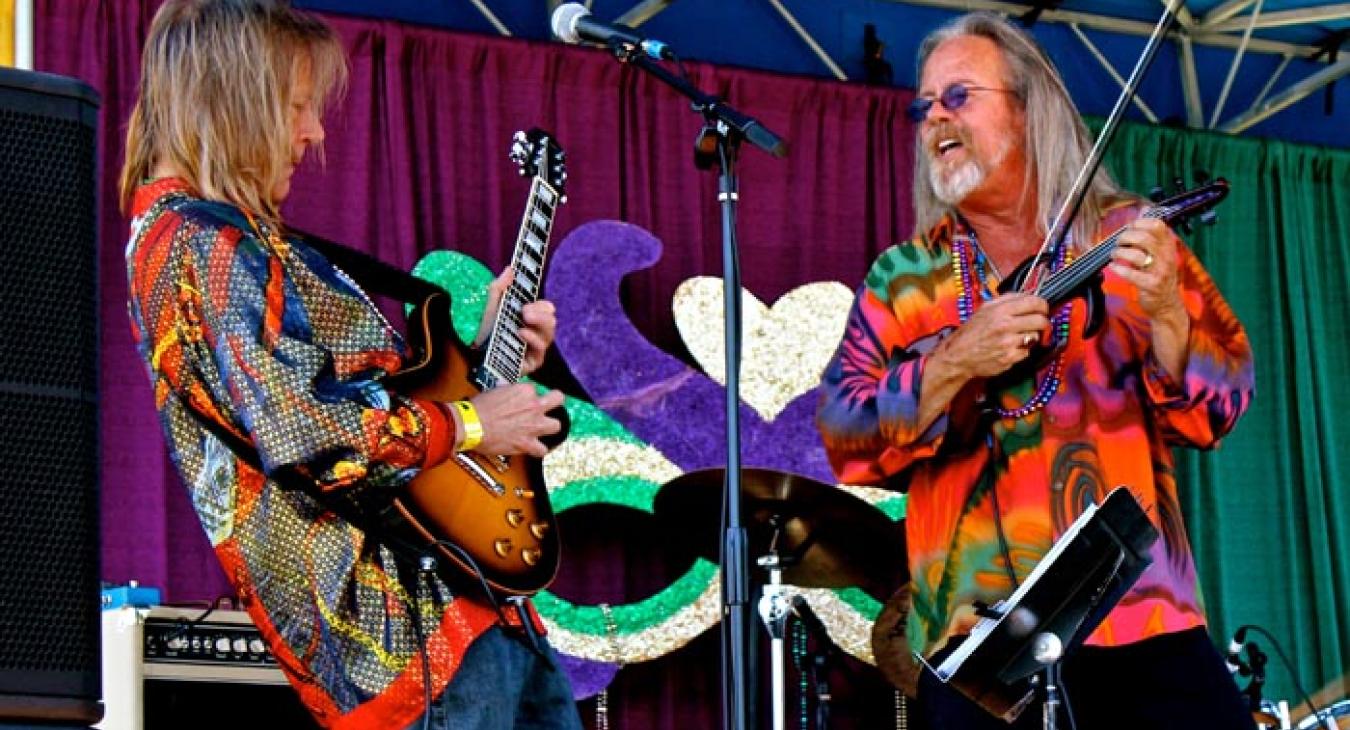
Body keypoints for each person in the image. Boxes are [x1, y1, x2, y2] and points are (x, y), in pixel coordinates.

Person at [119, 2, 582, 728]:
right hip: (403, 641)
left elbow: (359, 398)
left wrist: (480, 353)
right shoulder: (195, 246)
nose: (315, 132)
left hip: (463, 606)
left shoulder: (239, 241)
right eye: (297, 107)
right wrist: (470, 421)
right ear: (234, 102)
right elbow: (304, 435)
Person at [816, 12, 1256, 730]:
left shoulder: (1129, 238)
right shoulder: (903, 278)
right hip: (976, 645)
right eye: (923, 105)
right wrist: (956, 361)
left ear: (1027, 110)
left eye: (958, 96)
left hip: (1140, 616)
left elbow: (1221, 408)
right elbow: (844, 436)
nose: (933, 119)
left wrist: (1171, 312)